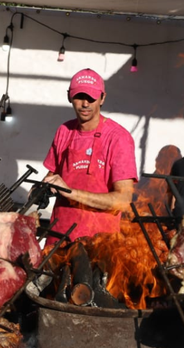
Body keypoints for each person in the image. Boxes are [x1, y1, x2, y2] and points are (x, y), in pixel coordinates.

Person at [40, 68, 137, 244]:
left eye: (91, 98)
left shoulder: (118, 138)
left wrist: (71, 193)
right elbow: (52, 176)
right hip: (58, 237)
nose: (85, 104)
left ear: (102, 98)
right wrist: (42, 189)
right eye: (79, 97)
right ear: (69, 96)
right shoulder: (64, 131)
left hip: (97, 243)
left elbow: (123, 200)